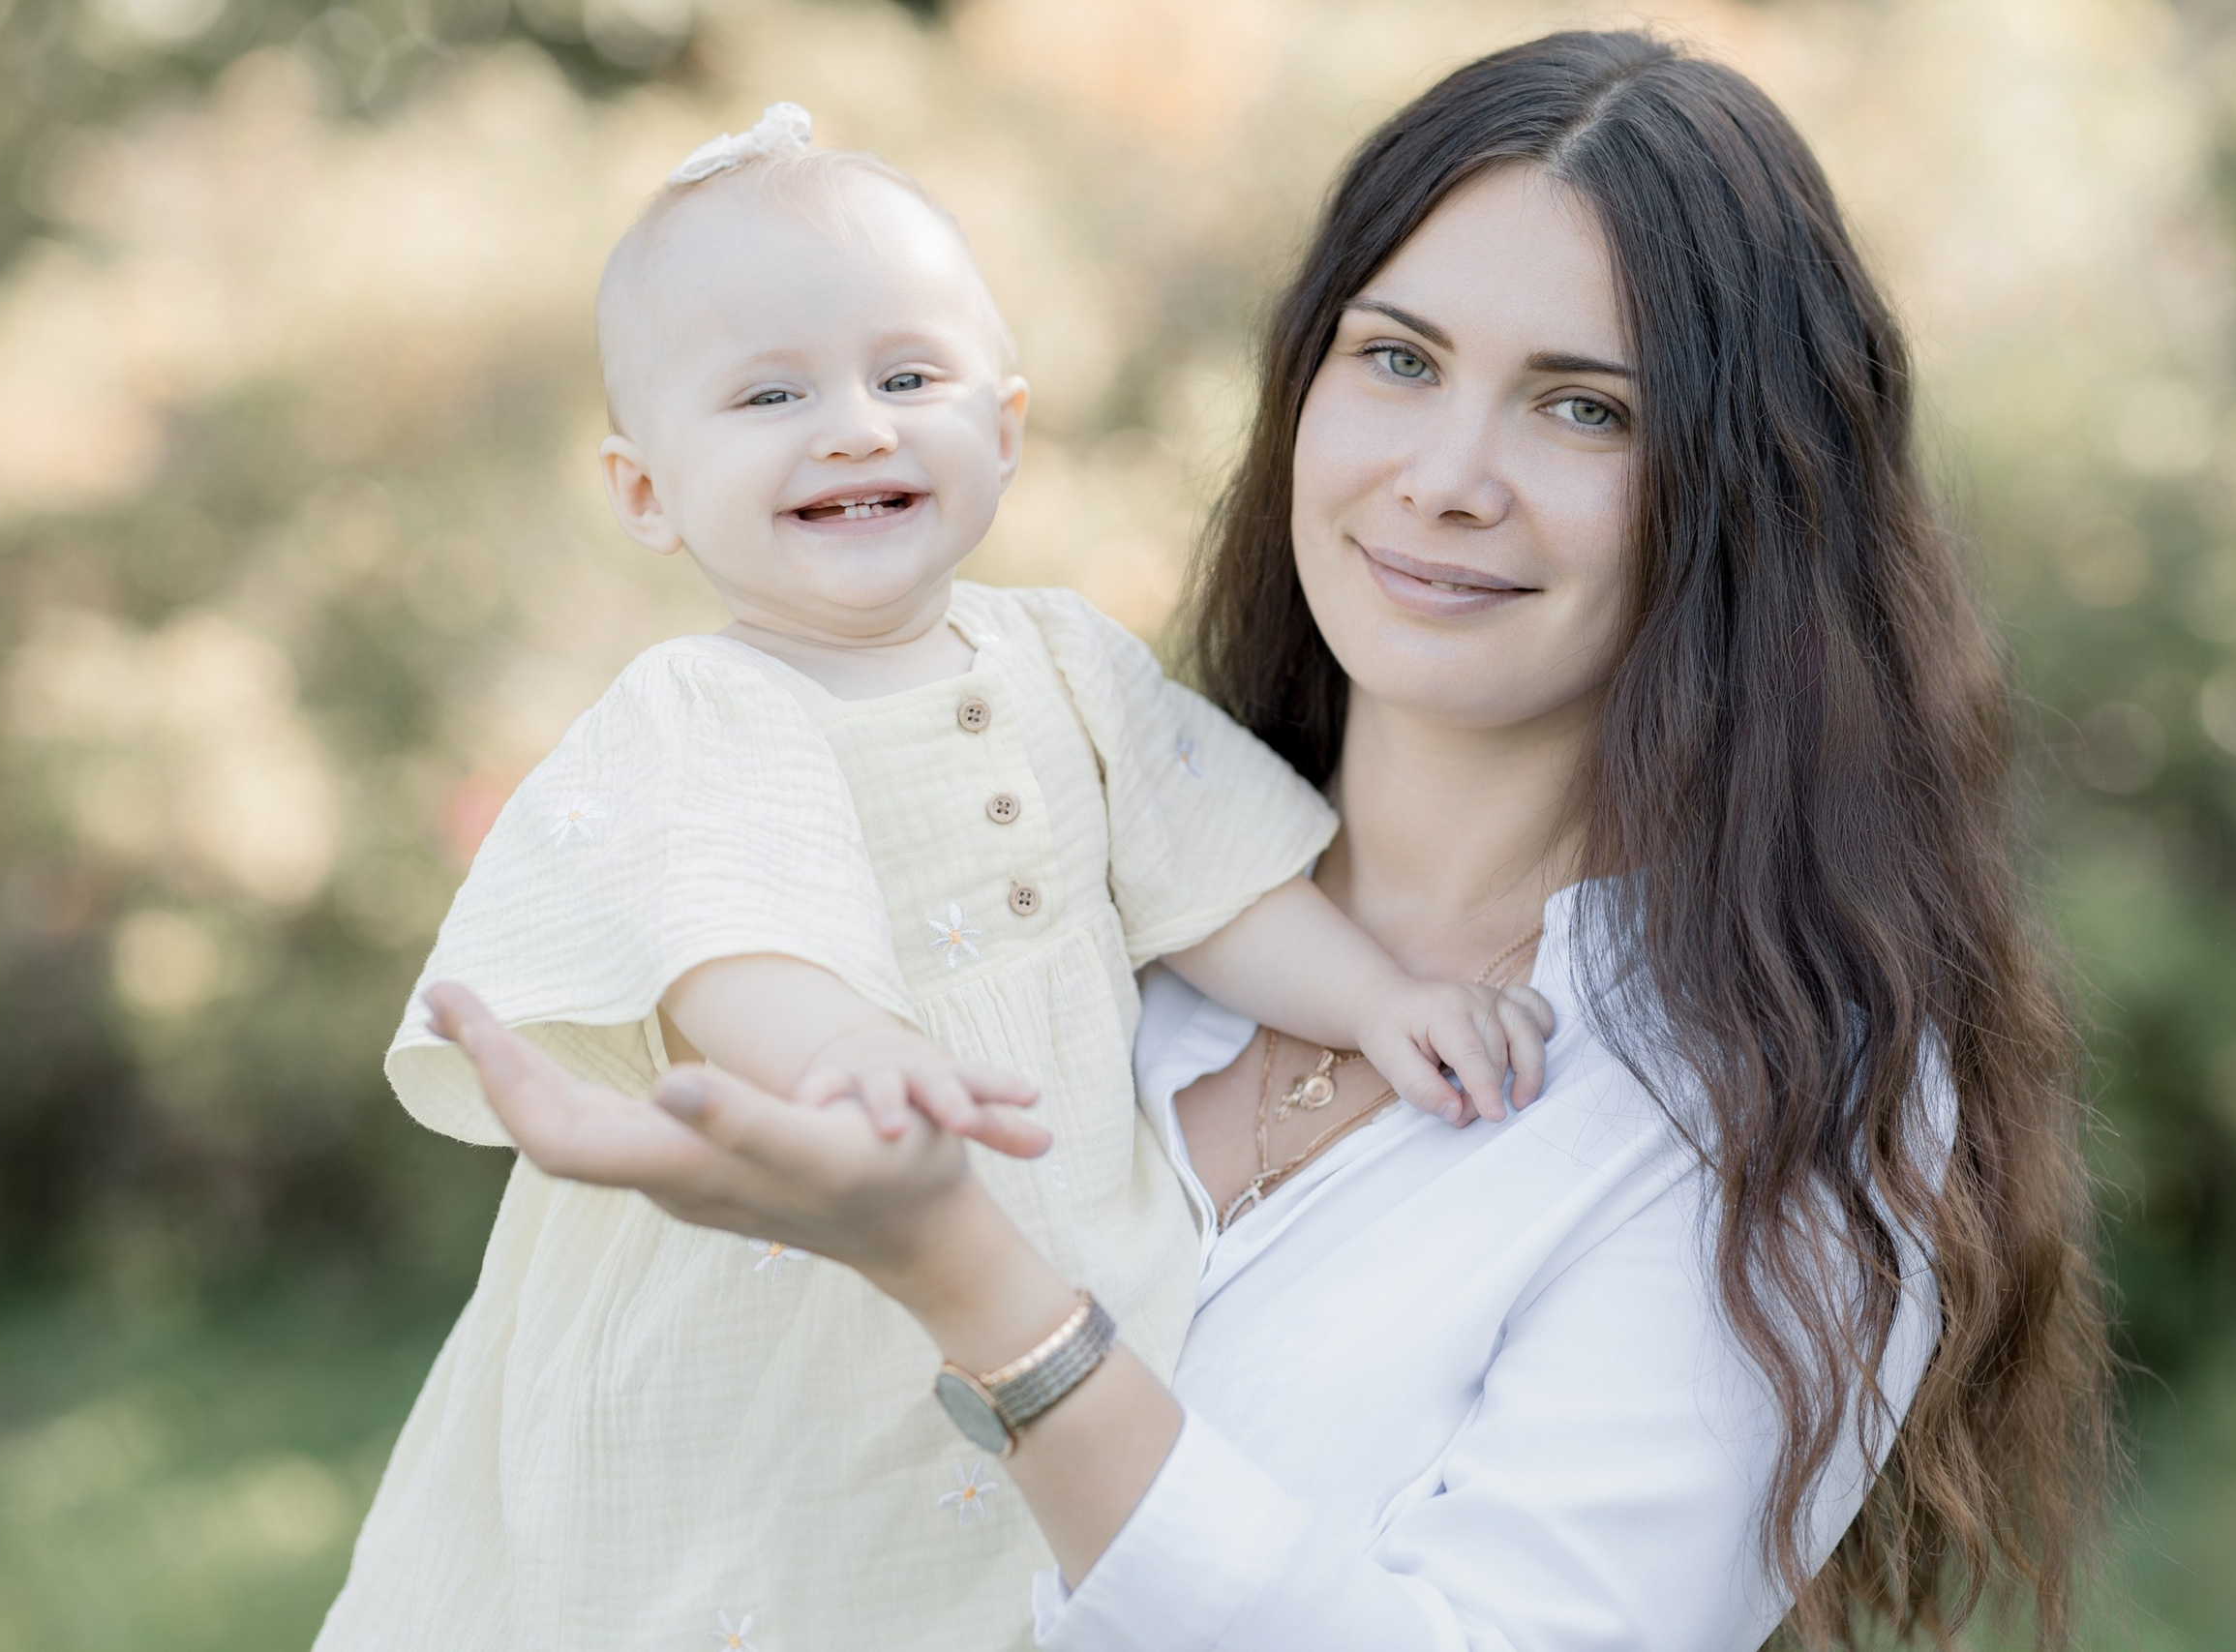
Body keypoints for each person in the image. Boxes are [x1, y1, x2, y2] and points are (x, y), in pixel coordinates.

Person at [420, 29, 2115, 1652]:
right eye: (1397, 359)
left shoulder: (1779, 1108)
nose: (1449, 474)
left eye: (1585, 407)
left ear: (1751, 484)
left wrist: (977, 1287)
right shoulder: (1046, 852)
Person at [317, 104, 1549, 1652]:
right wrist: (859, 1067)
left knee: (962, 1579)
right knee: (710, 1572)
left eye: (909, 379)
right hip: (770, 1275)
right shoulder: (694, 711)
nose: (855, 428)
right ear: (644, 492)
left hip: (1023, 1274)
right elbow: (727, 952)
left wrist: (1377, 998)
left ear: (1008, 425)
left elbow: (1214, 885)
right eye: (770, 394)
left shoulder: (1068, 665)